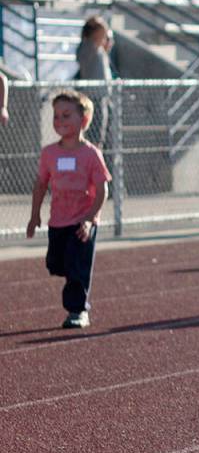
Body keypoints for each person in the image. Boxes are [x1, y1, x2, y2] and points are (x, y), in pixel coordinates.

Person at [26, 90, 111, 329]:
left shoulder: (91, 154)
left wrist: (89, 219)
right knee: (56, 264)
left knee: (77, 267)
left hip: (82, 222)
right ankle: (72, 283)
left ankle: (77, 311)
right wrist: (34, 215)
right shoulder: (49, 153)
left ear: (83, 120)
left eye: (66, 115)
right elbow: (41, 184)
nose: (59, 121)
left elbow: (103, 190)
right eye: (56, 116)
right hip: (58, 222)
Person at [76, 16, 114, 148]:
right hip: (93, 97)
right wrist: (100, 25)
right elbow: (101, 33)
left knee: (103, 137)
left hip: (102, 97)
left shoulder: (99, 50)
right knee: (94, 138)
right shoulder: (87, 47)